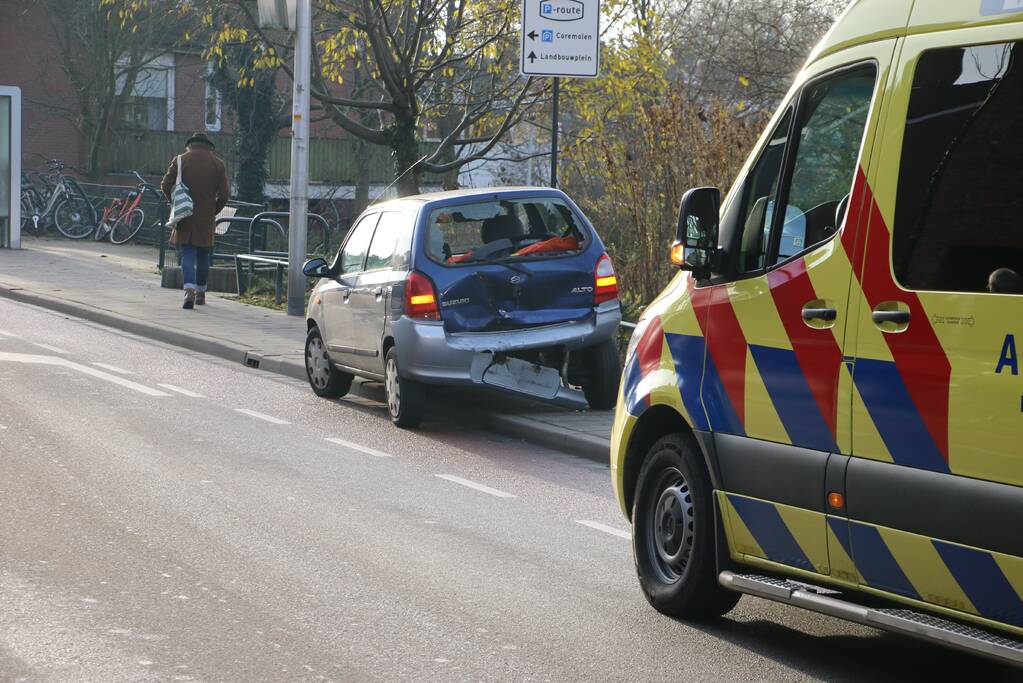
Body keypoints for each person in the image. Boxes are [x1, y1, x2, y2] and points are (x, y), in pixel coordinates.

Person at [161, 132, 230, 309]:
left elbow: (165, 184)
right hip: (206, 216)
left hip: (185, 215)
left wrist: (175, 202)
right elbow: (224, 195)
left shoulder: (180, 160)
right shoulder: (218, 164)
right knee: (204, 255)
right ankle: (201, 293)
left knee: (188, 253)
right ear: (208, 146)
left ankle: (188, 291)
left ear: (190, 145)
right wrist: (214, 210)